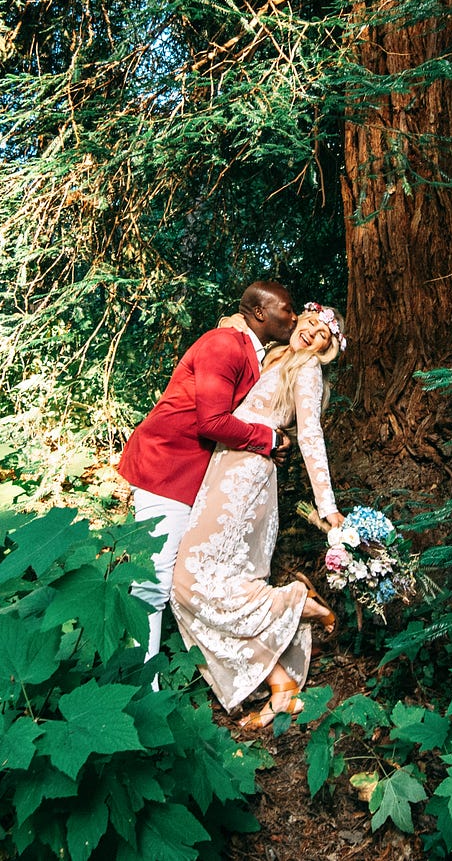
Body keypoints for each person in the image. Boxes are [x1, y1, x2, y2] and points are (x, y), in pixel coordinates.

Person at [172, 301, 345, 730]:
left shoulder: (306, 371)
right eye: (311, 325)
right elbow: (237, 326)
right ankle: (281, 686)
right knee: (210, 587)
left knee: (188, 583)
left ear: (325, 350)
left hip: (245, 479)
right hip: (222, 469)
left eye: (324, 337)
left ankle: (294, 602)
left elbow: (309, 435)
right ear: (299, 321)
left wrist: (329, 507)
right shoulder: (273, 353)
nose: (313, 335)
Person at [117, 282, 298, 662]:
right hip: (166, 466)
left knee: (184, 578)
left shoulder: (254, 353)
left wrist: (273, 443)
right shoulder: (224, 345)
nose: (294, 317)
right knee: (153, 580)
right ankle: (139, 685)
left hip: (196, 476)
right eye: (288, 309)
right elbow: (212, 421)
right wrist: (265, 439)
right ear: (261, 313)